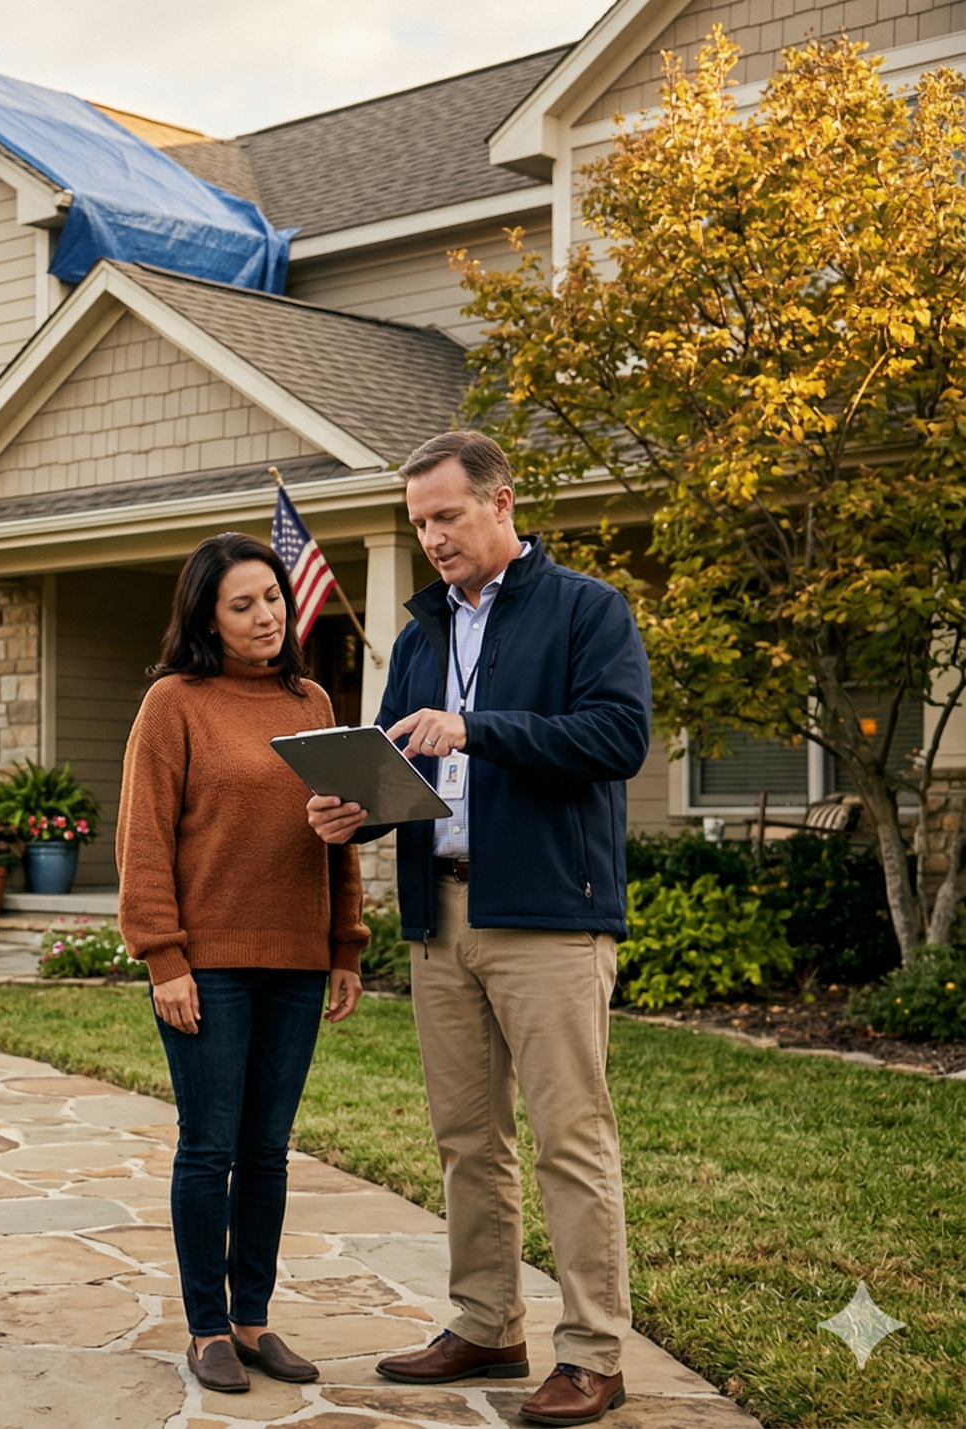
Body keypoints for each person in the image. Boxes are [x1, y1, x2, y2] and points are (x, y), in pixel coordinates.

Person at [306, 431, 651, 1429]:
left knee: (569, 1138)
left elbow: (617, 738)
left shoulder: (587, 609)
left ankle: (591, 1353)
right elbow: (394, 764)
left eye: (445, 516)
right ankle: (487, 1322)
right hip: (438, 912)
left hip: (547, 913)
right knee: (466, 1137)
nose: (430, 537)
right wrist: (351, 810)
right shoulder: (418, 637)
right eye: (417, 522)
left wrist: (478, 725)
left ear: (501, 503)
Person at [117, 530, 366, 1396]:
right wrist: (164, 959)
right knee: (208, 1145)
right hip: (208, 965)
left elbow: (343, 832)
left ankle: (254, 1317)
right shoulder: (174, 703)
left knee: (267, 1149)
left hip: (297, 960)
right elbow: (143, 840)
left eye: (273, 598)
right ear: (208, 617)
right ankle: (205, 1326)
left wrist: (345, 946)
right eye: (243, 604)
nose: (266, 615)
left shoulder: (310, 699)